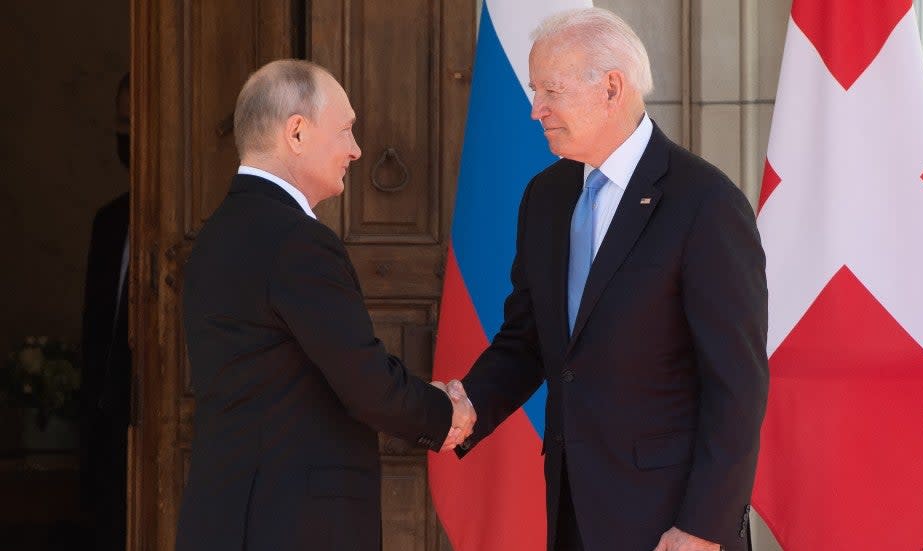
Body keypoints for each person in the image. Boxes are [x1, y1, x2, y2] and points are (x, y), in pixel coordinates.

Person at [446, 8, 768, 551]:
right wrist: (465, 404)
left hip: (671, 522)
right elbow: (530, 339)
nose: (535, 110)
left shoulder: (705, 204)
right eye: (534, 90)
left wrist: (704, 526)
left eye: (551, 90)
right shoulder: (544, 198)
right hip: (572, 510)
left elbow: (736, 386)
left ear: (612, 88)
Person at [176, 59, 474, 551]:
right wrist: (445, 415)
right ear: (296, 133)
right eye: (346, 130)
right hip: (292, 523)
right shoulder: (296, 240)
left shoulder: (216, 232)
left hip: (227, 513)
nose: (356, 151)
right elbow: (364, 382)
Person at [80, 71, 131, 551]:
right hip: (109, 429)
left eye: (136, 124)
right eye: (121, 125)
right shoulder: (110, 222)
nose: (128, 138)